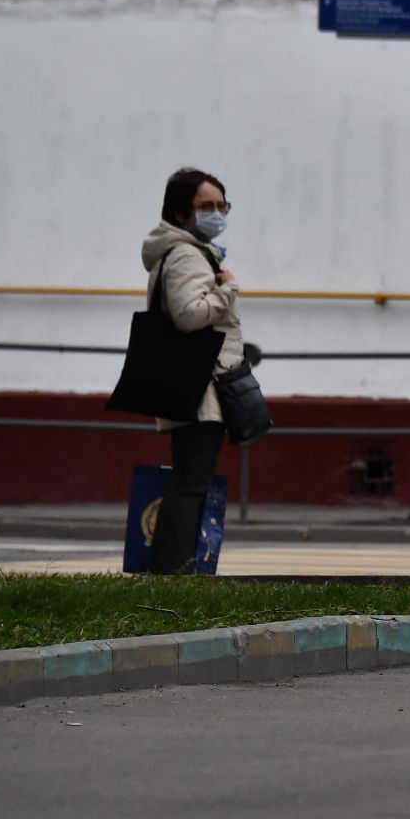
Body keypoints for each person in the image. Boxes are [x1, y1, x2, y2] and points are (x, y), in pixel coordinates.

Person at [142, 167, 244, 574]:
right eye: (207, 206)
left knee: (188, 482)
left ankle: (170, 569)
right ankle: (173, 573)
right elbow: (188, 316)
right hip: (199, 388)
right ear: (182, 212)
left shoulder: (187, 251)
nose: (217, 214)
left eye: (222, 205)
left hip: (193, 383)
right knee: (190, 485)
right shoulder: (186, 254)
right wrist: (228, 290)